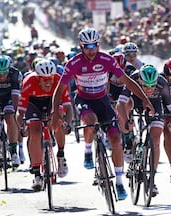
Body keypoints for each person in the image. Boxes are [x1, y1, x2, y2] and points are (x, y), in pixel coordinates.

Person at [52, 28, 154, 201]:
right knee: (91, 121)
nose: (91, 50)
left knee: (116, 138)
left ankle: (120, 181)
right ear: (81, 46)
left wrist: (144, 99)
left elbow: (127, 82)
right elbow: (59, 89)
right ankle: (87, 150)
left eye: (94, 46)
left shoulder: (106, 59)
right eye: (87, 46)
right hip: (84, 99)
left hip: (103, 101)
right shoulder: (74, 63)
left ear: (98, 44)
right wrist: (55, 112)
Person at [116, 64, 171, 196]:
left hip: (155, 105)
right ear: (139, 80)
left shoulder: (163, 83)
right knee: (127, 104)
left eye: (152, 86)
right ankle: (129, 140)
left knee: (156, 140)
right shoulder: (132, 78)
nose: (149, 89)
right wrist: (126, 121)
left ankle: (152, 180)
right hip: (136, 101)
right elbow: (120, 104)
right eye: (145, 85)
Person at [16, 59, 72, 191]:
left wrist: (67, 124)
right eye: (44, 79)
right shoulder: (29, 82)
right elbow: (20, 112)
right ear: (38, 78)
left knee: (58, 120)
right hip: (33, 104)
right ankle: (37, 174)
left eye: (50, 78)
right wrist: (22, 128)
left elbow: (68, 108)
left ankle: (61, 155)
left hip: (52, 101)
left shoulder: (59, 80)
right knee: (34, 132)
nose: (48, 82)